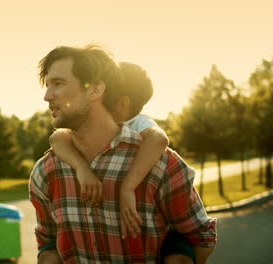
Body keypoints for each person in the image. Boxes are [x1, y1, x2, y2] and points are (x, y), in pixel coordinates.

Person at [29, 45, 217, 263]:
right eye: (47, 85)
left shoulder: (160, 164)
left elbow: (200, 238)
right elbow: (47, 241)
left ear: (95, 90)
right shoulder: (46, 171)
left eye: (58, 84)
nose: (47, 96)